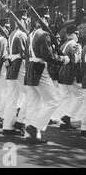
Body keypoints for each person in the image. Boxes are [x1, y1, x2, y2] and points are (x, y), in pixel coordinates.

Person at [23, 7, 64, 144]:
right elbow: (48, 57)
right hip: (40, 69)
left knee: (33, 103)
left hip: (30, 68)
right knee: (53, 101)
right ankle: (34, 127)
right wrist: (63, 60)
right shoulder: (44, 34)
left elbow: (27, 55)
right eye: (46, 18)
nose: (48, 20)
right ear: (41, 19)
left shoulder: (31, 35)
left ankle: (31, 136)